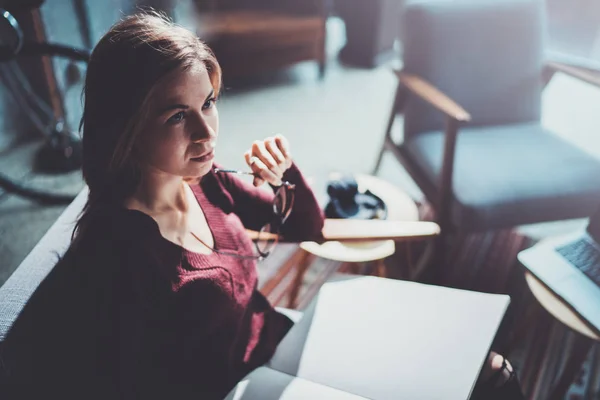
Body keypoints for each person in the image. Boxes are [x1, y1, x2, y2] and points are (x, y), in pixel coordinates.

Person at [0, 11, 524, 400]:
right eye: (176, 117)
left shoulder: (207, 182)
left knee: (492, 371)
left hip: (283, 340)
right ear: (126, 129)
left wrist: (284, 177)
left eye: (207, 103)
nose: (207, 133)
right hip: (241, 388)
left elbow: (308, 226)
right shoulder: (120, 258)